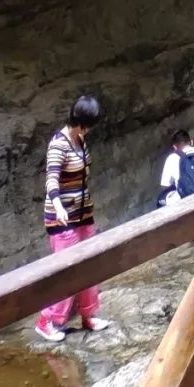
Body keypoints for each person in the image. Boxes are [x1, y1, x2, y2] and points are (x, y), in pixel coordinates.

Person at [35, 94, 110, 342]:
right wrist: (57, 205)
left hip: (83, 214)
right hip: (62, 218)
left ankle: (88, 315)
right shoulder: (59, 143)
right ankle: (46, 321)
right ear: (81, 121)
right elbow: (52, 179)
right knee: (67, 269)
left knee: (90, 263)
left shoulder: (80, 141)